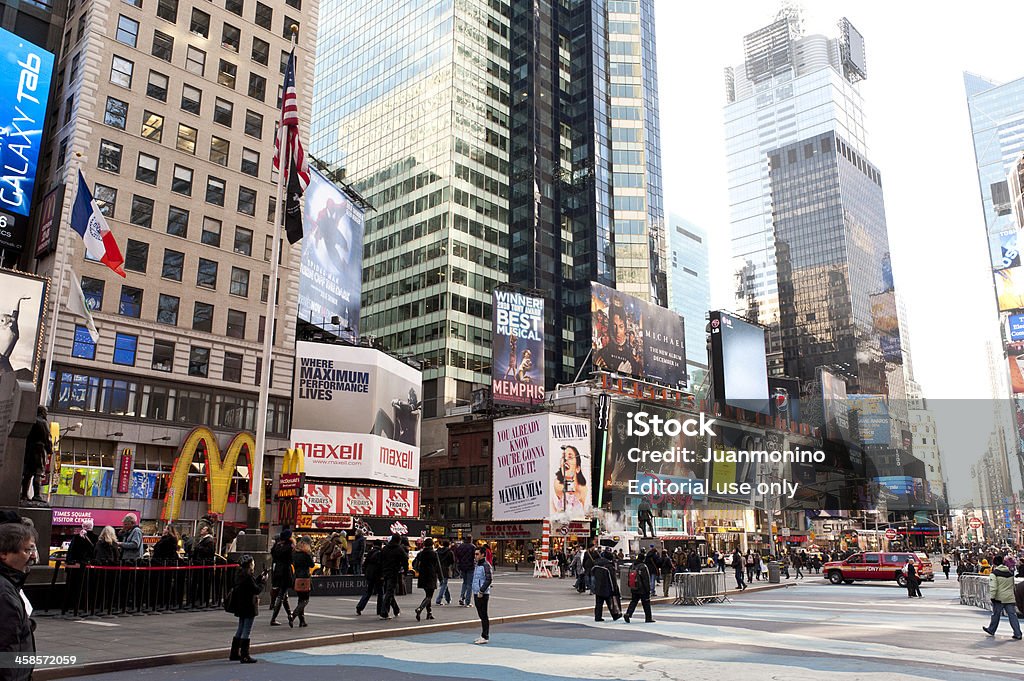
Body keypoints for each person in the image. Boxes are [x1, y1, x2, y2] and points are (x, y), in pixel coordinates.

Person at [0, 522, 38, 681]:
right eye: (27, 550)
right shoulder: (4, 593)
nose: (33, 556)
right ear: (4, 554)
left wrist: (26, 625)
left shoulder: (9, 586)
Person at [228, 554, 268, 663]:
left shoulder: (240, 575)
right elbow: (256, 589)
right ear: (250, 565)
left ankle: (234, 652)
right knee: (247, 630)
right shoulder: (248, 577)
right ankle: (245, 655)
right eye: (253, 563)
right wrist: (263, 582)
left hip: (240, 606)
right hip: (249, 606)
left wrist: (259, 577)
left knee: (240, 628)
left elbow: (252, 583)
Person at [593, 300, 640, 374]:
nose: (617, 331)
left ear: (625, 328)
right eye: (614, 326)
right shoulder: (602, 354)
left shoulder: (633, 358)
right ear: (610, 327)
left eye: (621, 326)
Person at [982, 556, 1022, 640]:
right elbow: (1012, 585)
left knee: (996, 615)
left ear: (994, 563)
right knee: (1012, 616)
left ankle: (991, 629)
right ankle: (1018, 633)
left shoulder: (994, 574)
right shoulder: (1010, 573)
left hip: (999, 598)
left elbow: (994, 587)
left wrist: (992, 597)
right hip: (1009, 597)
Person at [63, 519, 97, 615]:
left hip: (76, 567)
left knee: (74, 586)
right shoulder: (95, 538)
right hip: (89, 567)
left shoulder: (77, 537)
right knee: (88, 587)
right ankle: (86, 606)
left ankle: (73, 606)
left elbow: (71, 551)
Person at [21, 406, 51, 505]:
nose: (46, 414)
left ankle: (24, 494)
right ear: (42, 412)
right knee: (38, 472)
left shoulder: (31, 421)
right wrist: (49, 450)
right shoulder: (42, 422)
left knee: (28, 473)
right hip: (39, 449)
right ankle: (37, 495)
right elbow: (47, 438)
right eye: (46, 412)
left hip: (29, 449)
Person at [553, 446, 589, 514]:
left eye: (570, 457)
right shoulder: (556, 485)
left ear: (577, 468)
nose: (565, 459)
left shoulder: (584, 491)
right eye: (563, 457)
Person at [413, 537, 442, 621]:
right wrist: (441, 577)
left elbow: (415, 563)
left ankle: (429, 613)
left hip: (422, 575)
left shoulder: (420, 553)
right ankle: (420, 608)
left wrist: (418, 570)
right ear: (432, 545)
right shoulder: (434, 553)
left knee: (427, 594)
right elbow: (438, 566)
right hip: (431, 575)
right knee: (430, 595)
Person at [379, 534, 407, 620]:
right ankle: (384, 612)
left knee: (389, 591)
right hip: (394, 572)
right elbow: (405, 560)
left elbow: (380, 561)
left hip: (385, 572)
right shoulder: (399, 549)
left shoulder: (385, 548)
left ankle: (396, 609)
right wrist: (405, 571)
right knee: (390, 592)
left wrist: (381, 573)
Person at [269, 530, 294, 626]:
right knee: (281, 595)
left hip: (277, 570)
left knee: (284, 595)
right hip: (285, 571)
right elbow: (292, 560)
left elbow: (273, 555)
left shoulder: (277, 546)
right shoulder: (289, 547)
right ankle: (273, 618)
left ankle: (290, 615)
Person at [290, 537, 315, 628]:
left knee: (300, 599)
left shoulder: (295, 553)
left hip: (296, 577)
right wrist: (309, 555)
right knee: (305, 600)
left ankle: (302, 621)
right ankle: (293, 615)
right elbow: (312, 565)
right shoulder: (306, 554)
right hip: (305, 578)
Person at [623, 553, 654, 624]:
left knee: (633, 601)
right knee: (646, 603)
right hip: (642, 588)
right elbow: (646, 579)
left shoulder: (632, 566)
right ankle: (648, 618)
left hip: (634, 587)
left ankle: (628, 614)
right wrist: (648, 589)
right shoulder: (643, 566)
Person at [591, 549, 621, 622]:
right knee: (610, 602)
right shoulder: (609, 567)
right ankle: (615, 615)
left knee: (598, 603)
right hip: (607, 587)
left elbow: (593, 577)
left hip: (598, 587)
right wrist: (614, 589)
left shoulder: (596, 565)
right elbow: (612, 579)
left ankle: (598, 617)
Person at [472, 545, 493, 644]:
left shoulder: (485, 565)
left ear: (482, 555)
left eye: (477, 554)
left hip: (482, 593)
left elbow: (489, 579)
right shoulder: (478, 565)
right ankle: (483, 635)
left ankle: (485, 636)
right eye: (475, 554)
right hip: (477, 592)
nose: (475, 556)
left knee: (483, 615)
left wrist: (481, 590)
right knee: (481, 614)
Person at [355, 540, 383, 616]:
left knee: (368, 591)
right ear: (380, 545)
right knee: (380, 593)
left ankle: (359, 607)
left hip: (369, 574)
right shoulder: (380, 553)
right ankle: (379, 610)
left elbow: (365, 563)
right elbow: (381, 565)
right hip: (377, 575)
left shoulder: (370, 552)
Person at [454, 535, 476, 607]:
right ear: (471, 539)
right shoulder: (472, 547)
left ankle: (461, 597)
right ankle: (467, 601)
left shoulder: (460, 546)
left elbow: (457, 555)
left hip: (462, 566)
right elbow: (474, 556)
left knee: (464, 582)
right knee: (469, 584)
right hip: (470, 566)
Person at [435, 539, 454, 606]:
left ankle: (448, 599)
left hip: (438, 569)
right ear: (448, 545)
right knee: (444, 584)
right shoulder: (450, 552)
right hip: (446, 569)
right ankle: (438, 599)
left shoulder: (438, 551)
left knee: (443, 584)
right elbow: (452, 561)